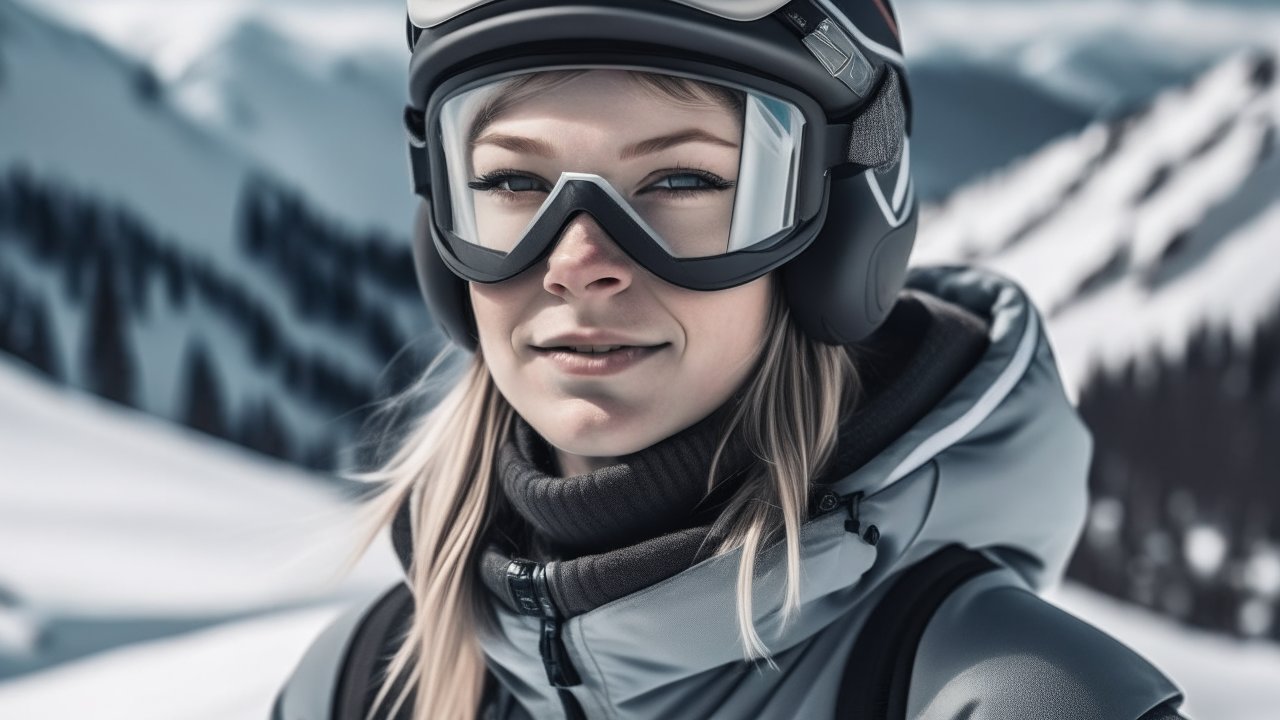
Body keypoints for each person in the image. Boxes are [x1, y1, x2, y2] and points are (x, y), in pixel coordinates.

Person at [273, 2, 1190, 719]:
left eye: (681, 182)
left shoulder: (1017, 700)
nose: (577, 263)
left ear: (835, 231)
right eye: (512, 183)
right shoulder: (362, 688)